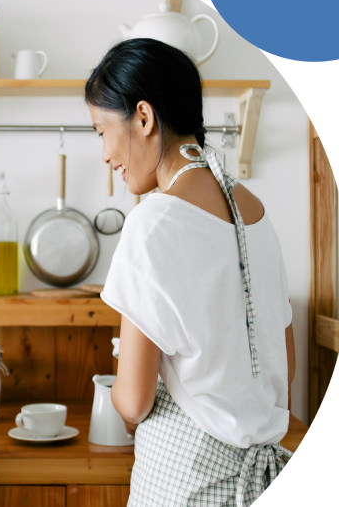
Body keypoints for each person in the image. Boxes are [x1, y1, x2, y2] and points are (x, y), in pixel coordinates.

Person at [86, 38, 295, 506]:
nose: (104, 153)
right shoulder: (255, 211)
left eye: (101, 130)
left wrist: (120, 400)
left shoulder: (152, 221)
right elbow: (287, 368)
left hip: (187, 485)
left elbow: (135, 400)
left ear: (143, 117)